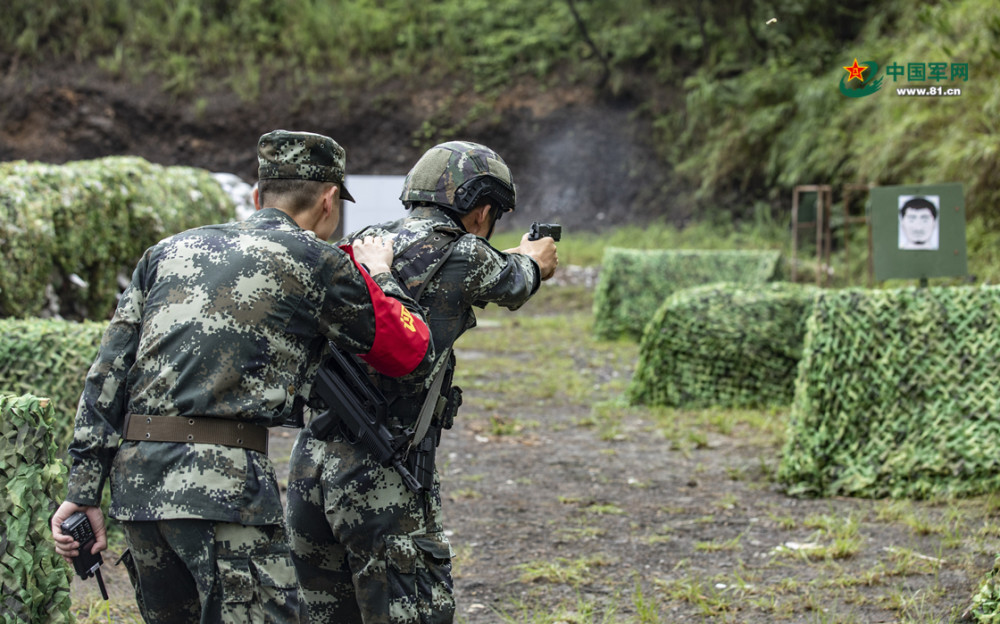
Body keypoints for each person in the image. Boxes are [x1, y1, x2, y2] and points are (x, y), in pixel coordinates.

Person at [50, 129, 435, 623]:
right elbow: (409, 351)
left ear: (258, 195)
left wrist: (82, 493)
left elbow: (106, 376)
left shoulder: (166, 252)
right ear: (329, 200)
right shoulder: (318, 261)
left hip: (138, 492)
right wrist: (379, 272)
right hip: (225, 494)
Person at [285, 140, 558, 623]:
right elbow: (517, 280)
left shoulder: (367, 240)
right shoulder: (466, 254)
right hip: (385, 470)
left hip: (312, 464)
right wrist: (536, 259)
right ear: (481, 210)